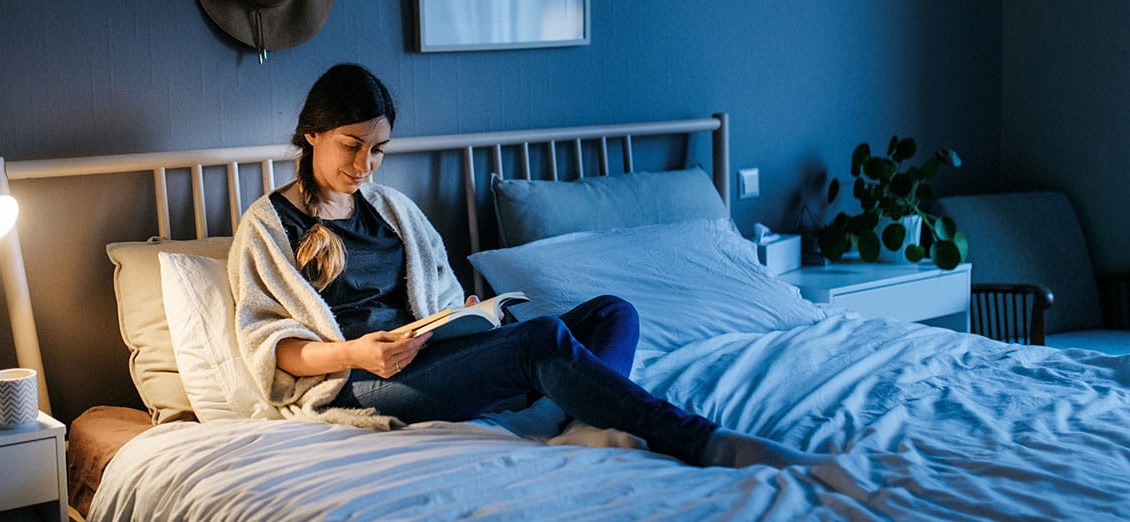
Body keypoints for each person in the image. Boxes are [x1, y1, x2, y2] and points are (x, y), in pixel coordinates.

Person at [228, 63, 826, 468]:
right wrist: (357, 354)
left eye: (378, 148)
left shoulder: (392, 210)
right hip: (360, 380)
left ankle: (573, 416)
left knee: (612, 313)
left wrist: (462, 313)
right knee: (543, 340)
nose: (365, 164)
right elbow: (269, 342)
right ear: (311, 135)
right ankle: (704, 441)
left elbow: (434, 292)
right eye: (351, 145)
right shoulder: (268, 225)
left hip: (429, 353)